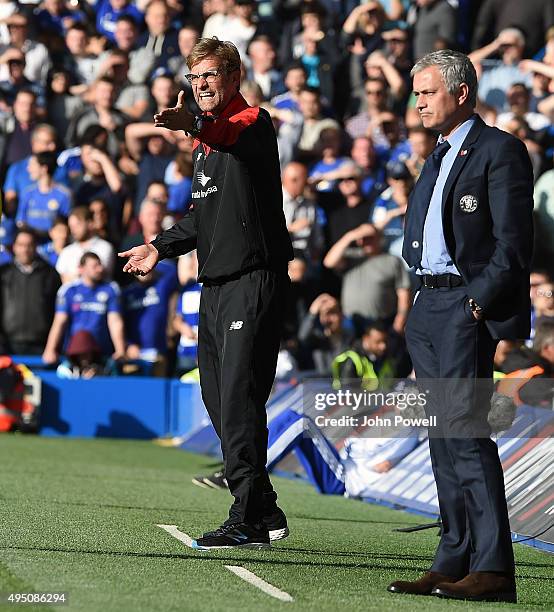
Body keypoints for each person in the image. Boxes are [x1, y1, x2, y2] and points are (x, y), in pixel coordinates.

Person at [118, 37, 293, 550]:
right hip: (214, 286)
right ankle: (262, 505)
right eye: (195, 79)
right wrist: (157, 247)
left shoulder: (251, 124)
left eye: (211, 75)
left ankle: (246, 515)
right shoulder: (206, 147)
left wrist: (192, 124)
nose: (202, 86)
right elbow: (201, 216)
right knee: (218, 400)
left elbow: (228, 134)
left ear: (233, 77)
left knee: (239, 397)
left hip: (252, 280)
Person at [390, 50, 533, 602]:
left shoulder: (501, 150)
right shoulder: (435, 155)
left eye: (427, 92)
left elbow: (513, 244)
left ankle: (493, 566)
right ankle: (453, 557)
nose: (418, 102)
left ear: (462, 93)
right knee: (441, 436)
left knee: (466, 435)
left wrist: (475, 303)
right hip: (428, 304)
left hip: (462, 308)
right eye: (417, 92)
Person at [43, 251, 125, 364]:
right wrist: (50, 349)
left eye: (100, 265)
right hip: (74, 354)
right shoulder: (68, 290)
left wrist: (120, 350)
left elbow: (115, 321)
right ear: (81, 269)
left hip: (102, 353)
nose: (100, 269)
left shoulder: (110, 289)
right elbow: (59, 322)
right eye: (94, 266)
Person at [0, 228, 61, 355]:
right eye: (21, 245)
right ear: (14, 247)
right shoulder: (3, 273)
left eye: (29, 245)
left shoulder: (50, 274)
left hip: (41, 346)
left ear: (36, 246)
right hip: (8, 345)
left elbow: (57, 311)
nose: (25, 249)